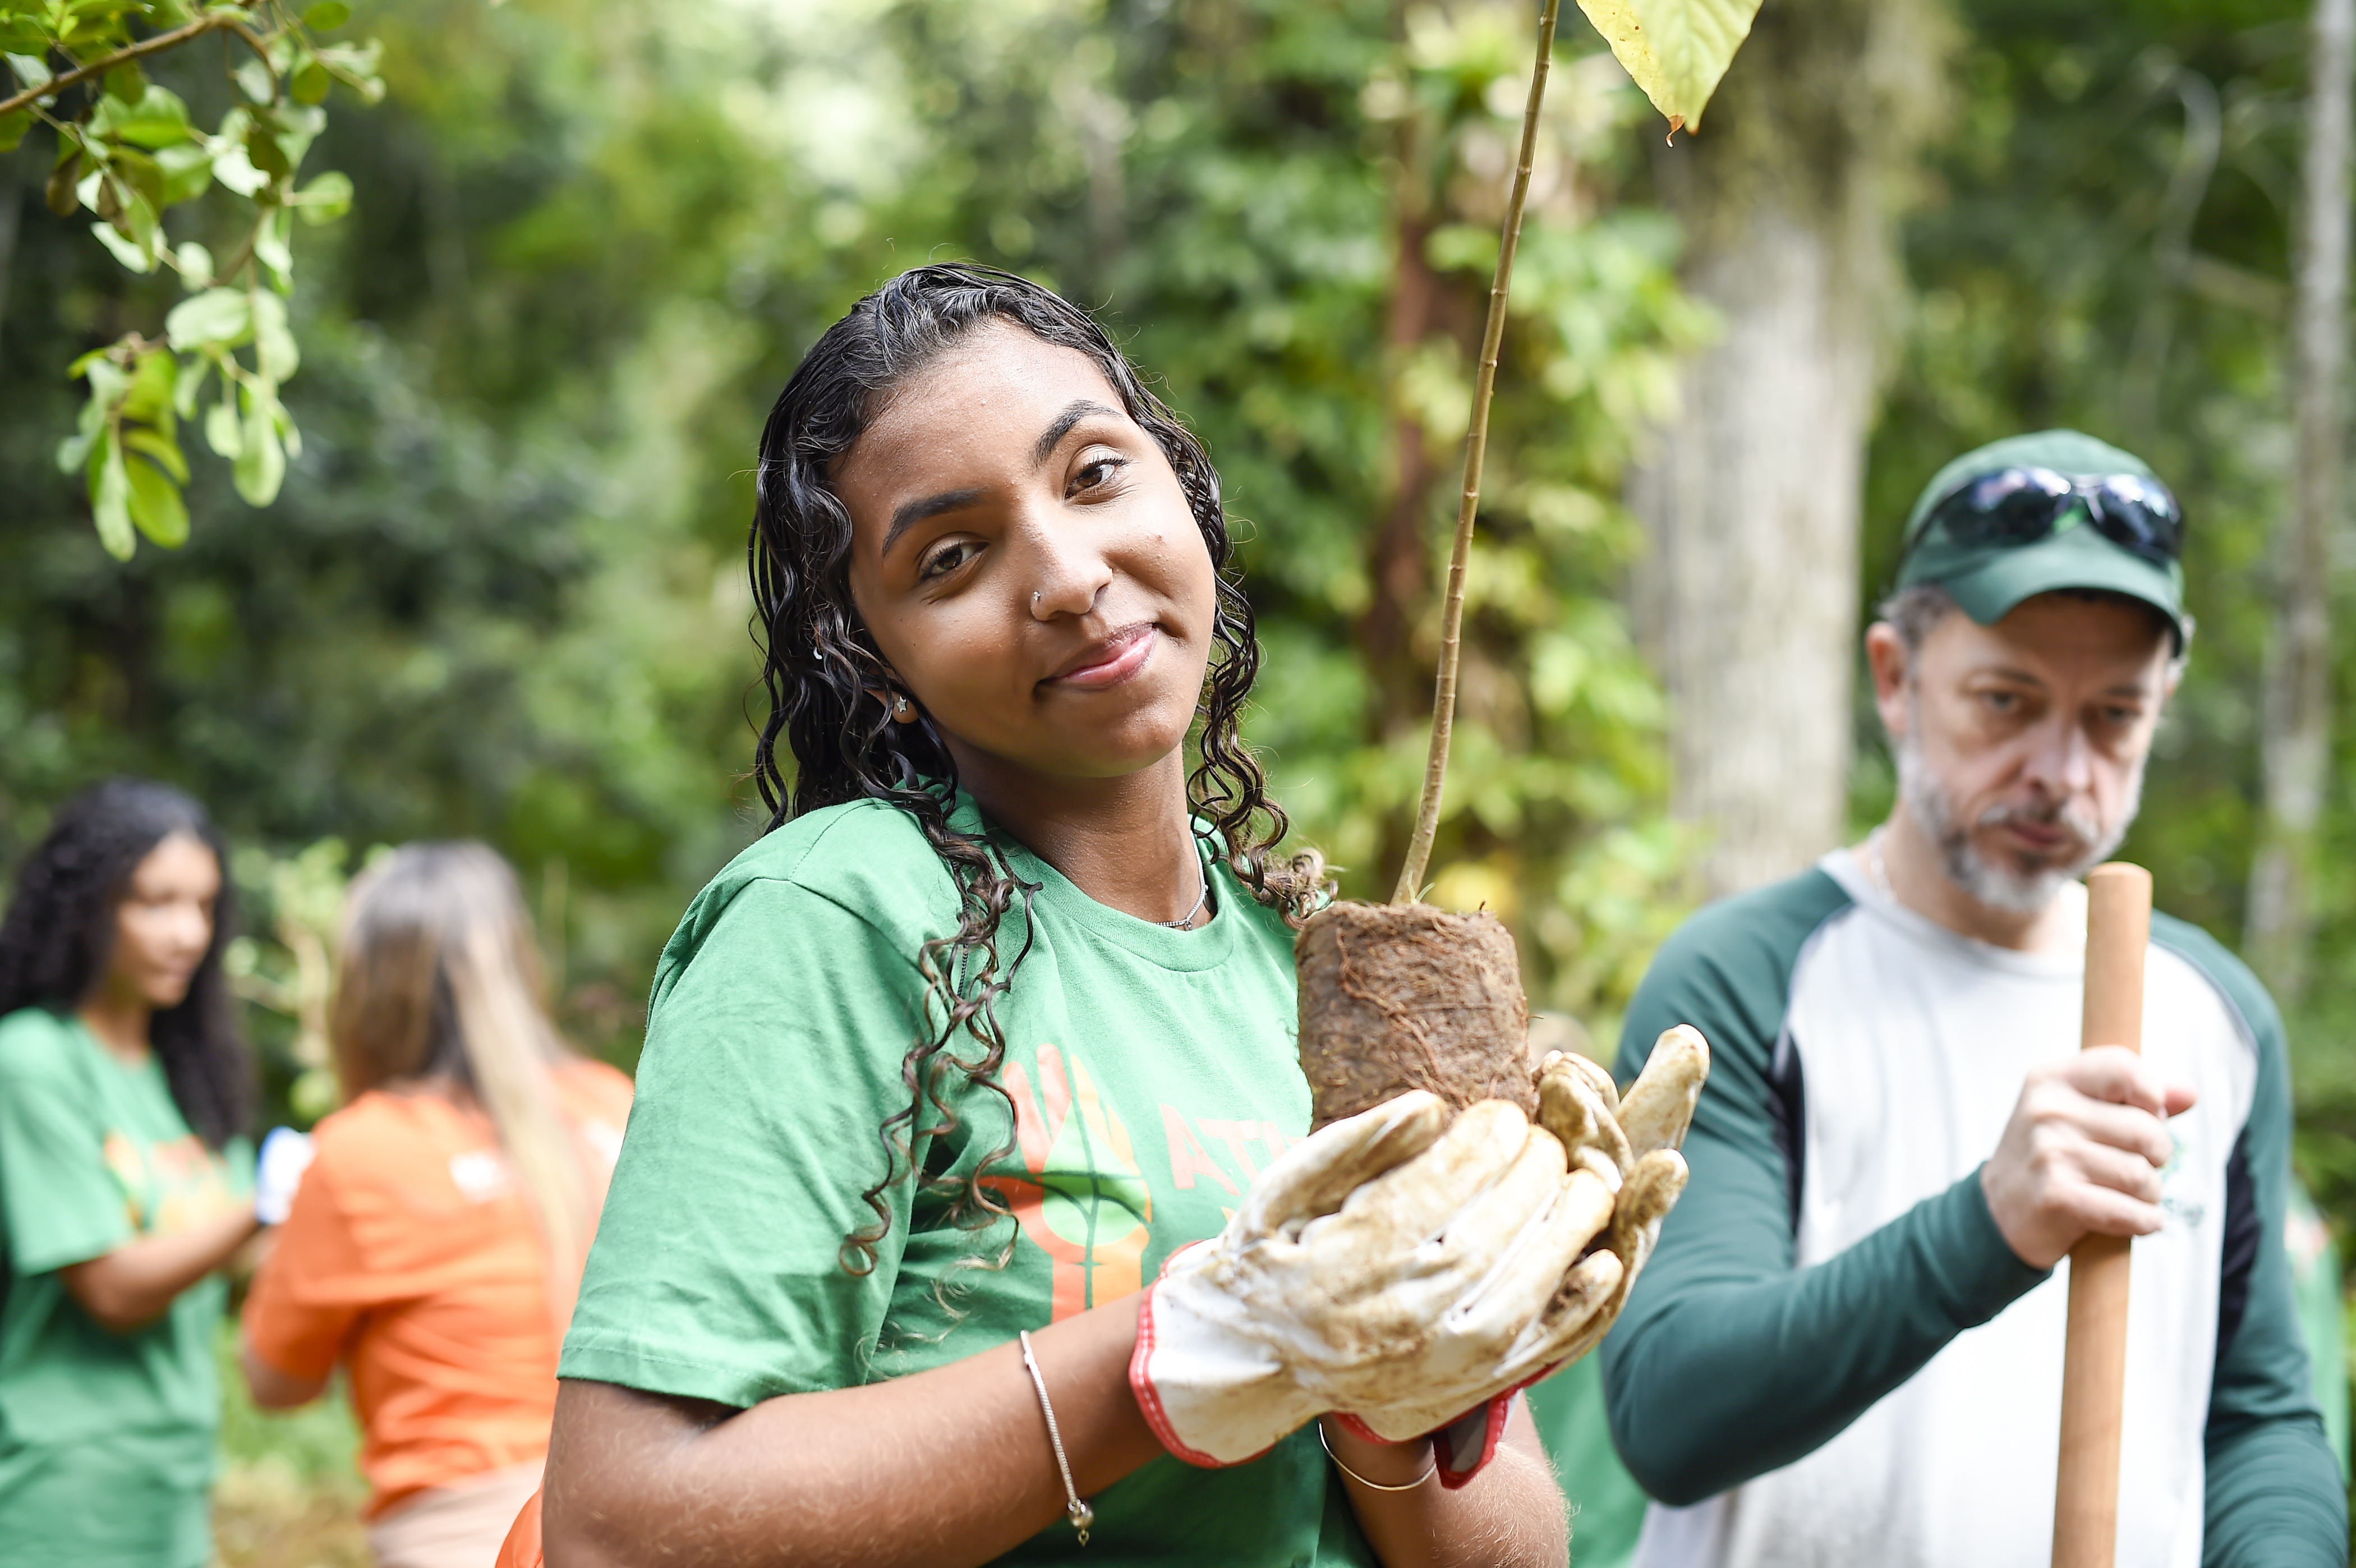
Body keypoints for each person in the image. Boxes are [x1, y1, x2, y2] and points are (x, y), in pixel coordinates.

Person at [498, 263, 1665, 1568]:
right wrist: (1191, 1348)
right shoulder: (836, 919)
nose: (1064, 574)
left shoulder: (1316, 968)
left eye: (1095, 474)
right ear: (873, 663)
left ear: (1186, 490)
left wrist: (1388, 1377)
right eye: (951, 557)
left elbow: (1512, 1552)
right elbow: (623, 1524)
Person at [1600, 430, 2346, 1565]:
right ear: (1895, 678)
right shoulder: (1746, 978)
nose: (2062, 772)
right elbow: (1668, 1411)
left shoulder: (2215, 1015)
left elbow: (2258, 1419)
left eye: (2114, 716)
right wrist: (1987, 1227)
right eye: (2007, 701)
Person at [240, 843, 632, 1568]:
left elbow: (277, 1382)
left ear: (366, 989)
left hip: (461, 1539)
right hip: (637, 1524)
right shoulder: (615, 1105)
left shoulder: (359, 1151)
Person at [0, 779, 297, 1567]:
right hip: (61, 1492)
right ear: (87, 907)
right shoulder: (34, 1062)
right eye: (155, 902)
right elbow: (113, 1291)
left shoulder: (189, 1075)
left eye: (203, 906)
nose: (187, 933)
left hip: (176, 1485)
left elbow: (234, 1266)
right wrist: (267, 1203)